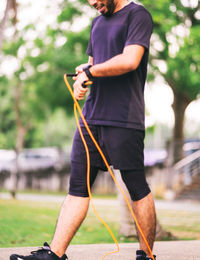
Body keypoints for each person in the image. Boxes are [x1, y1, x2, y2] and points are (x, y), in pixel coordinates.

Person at [10, 0, 157, 260]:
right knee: (77, 187)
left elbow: (130, 60)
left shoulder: (138, 15)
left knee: (136, 186)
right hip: (90, 117)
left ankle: (146, 256)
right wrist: (82, 80)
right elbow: (93, 64)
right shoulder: (97, 22)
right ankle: (54, 254)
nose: (93, 4)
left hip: (123, 118)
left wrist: (90, 71)